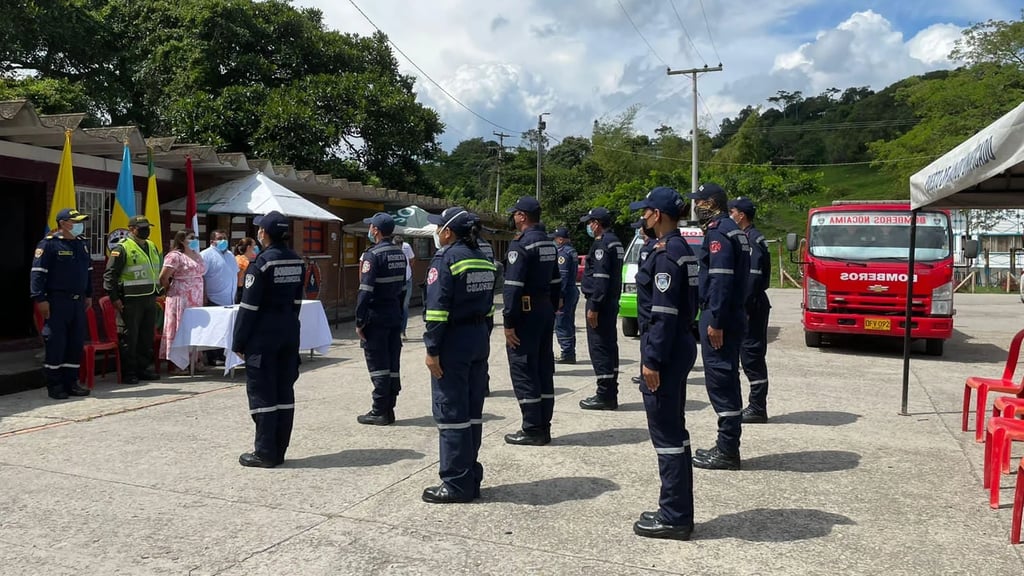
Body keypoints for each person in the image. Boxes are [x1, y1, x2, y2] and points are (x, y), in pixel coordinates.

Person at [628, 186, 699, 541]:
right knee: (675, 431)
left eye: (646, 211)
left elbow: (663, 314)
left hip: (666, 350)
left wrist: (651, 361)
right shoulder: (679, 248)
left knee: (667, 434)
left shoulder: (667, 254)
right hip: (679, 344)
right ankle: (677, 509)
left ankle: (674, 516)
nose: (642, 216)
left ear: (657, 215)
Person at [421, 207, 497, 503]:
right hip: (477, 338)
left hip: (453, 341)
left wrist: (432, 349)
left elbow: (437, 310)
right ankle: (470, 476)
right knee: (472, 412)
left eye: (439, 228)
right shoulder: (483, 258)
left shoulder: (446, 258)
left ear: (448, 232)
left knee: (451, 412)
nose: (437, 233)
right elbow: (490, 307)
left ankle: (455, 483)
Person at [232, 211, 304, 468]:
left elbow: (248, 308)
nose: (259, 233)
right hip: (288, 332)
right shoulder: (297, 260)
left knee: (262, 393)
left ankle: (264, 452)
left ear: (265, 233)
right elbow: (297, 302)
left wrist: (238, 342)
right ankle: (279, 449)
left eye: (260, 230)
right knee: (284, 391)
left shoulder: (261, 264)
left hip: (263, 337)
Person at [688, 183, 751, 470]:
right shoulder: (732, 230)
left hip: (721, 318)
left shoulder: (719, 232)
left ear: (712, 203)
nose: (696, 206)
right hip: (731, 314)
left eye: (699, 201)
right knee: (726, 380)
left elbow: (721, 280)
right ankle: (726, 444)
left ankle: (728, 450)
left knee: (721, 381)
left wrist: (715, 320)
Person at [502, 196, 561, 446]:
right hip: (545, 309)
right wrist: (554, 305)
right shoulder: (549, 243)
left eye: (515, 214)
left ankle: (532, 428)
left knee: (524, 368)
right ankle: (543, 424)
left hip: (526, 312)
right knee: (543, 367)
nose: (513, 217)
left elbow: (513, 287)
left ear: (522, 216)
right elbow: (557, 281)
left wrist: (508, 321)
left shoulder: (521, 246)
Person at [30, 208, 94, 400]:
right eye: (76, 222)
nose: (80, 225)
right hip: (57, 302)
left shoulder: (82, 244)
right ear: (64, 223)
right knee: (57, 343)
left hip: (78, 302)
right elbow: (37, 273)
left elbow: (88, 271)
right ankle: (55, 384)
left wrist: (89, 294)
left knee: (75, 343)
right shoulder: (49, 245)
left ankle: (71, 382)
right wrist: (39, 299)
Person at [355, 212, 407, 425]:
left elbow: (365, 290)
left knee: (378, 364)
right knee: (393, 363)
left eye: (371, 227)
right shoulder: (399, 253)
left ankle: (379, 410)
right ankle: (389, 408)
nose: (370, 230)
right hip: (394, 313)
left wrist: (359, 320)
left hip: (376, 316)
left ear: (375, 230)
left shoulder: (372, 255)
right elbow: (404, 287)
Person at [103, 215, 162, 385]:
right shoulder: (122, 248)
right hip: (130, 300)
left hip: (149, 298)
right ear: (131, 229)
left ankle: (143, 369)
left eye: (147, 227)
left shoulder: (151, 245)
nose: (146, 230)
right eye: (141, 228)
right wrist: (114, 298)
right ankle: (129, 372)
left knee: (146, 336)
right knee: (130, 338)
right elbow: (110, 275)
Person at [728, 197, 773, 424]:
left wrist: (744, 307)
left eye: (732, 212)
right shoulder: (751, 237)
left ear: (741, 215)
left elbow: (753, 278)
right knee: (749, 355)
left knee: (751, 355)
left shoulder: (752, 240)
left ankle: (757, 407)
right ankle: (756, 405)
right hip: (752, 303)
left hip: (752, 305)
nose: (730, 215)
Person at [578, 206, 624, 411]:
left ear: (596, 223)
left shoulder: (602, 244)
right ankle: (610, 392)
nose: (588, 226)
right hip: (611, 301)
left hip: (601, 302)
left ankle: (604, 394)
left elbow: (601, 277)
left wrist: (594, 305)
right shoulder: (615, 241)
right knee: (609, 346)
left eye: (590, 222)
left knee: (599, 347)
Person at [158, 230, 206, 373]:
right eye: (191, 238)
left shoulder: (196, 255)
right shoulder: (175, 256)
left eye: (196, 237)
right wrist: (169, 289)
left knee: (194, 329)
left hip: (196, 298)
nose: (195, 240)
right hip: (180, 297)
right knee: (180, 328)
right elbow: (163, 277)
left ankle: (194, 359)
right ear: (181, 240)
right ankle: (177, 363)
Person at [201, 229, 238, 366]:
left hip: (229, 300)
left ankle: (222, 354)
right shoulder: (206, 255)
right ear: (212, 241)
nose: (224, 241)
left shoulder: (229, 255)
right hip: (213, 298)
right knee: (214, 330)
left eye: (225, 237)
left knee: (226, 330)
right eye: (220, 238)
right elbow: (202, 276)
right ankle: (212, 357)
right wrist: (204, 296)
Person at [629, 217, 658, 387]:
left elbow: (645, 276)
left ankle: (645, 372)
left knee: (647, 339)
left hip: (647, 303)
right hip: (646, 301)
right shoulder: (651, 246)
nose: (639, 231)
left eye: (640, 228)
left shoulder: (648, 248)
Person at [552, 227, 579, 364]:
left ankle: (567, 353)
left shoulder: (562, 253)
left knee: (562, 323)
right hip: (572, 290)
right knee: (569, 323)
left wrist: (560, 296)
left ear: (560, 239)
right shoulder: (572, 251)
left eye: (555, 239)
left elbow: (562, 276)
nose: (554, 241)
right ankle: (570, 351)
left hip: (566, 292)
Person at [395, 235, 416, 340]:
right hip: (395, 282)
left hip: (407, 280)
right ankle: (395, 330)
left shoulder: (407, 247)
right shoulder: (391, 248)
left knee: (404, 306)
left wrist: (408, 270)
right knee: (395, 306)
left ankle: (402, 331)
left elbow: (412, 259)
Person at [234, 237, 258, 304]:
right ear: (248, 247)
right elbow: (240, 282)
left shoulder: (238, 258)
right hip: (242, 292)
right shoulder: (243, 261)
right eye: (254, 247)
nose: (256, 249)